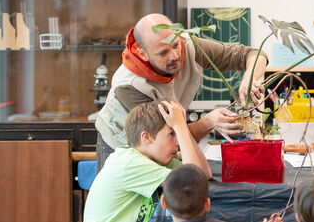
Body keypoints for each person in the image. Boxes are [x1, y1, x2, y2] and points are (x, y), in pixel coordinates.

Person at [95, 13, 269, 171]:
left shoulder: (188, 46)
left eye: (175, 45)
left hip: (165, 139)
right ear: (143, 53)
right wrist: (207, 122)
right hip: (122, 144)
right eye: (163, 53)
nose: (175, 56)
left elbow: (253, 54)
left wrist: (249, 78)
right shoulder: (130, 85)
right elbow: (170, 136)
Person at [82, 100, 210, 222]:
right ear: (146, 137)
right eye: (171, 134)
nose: (177, 143)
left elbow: (203, 174)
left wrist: (181, 127)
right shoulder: (130, 163)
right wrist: (181, 127)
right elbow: (192, 181)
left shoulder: (156, 159)